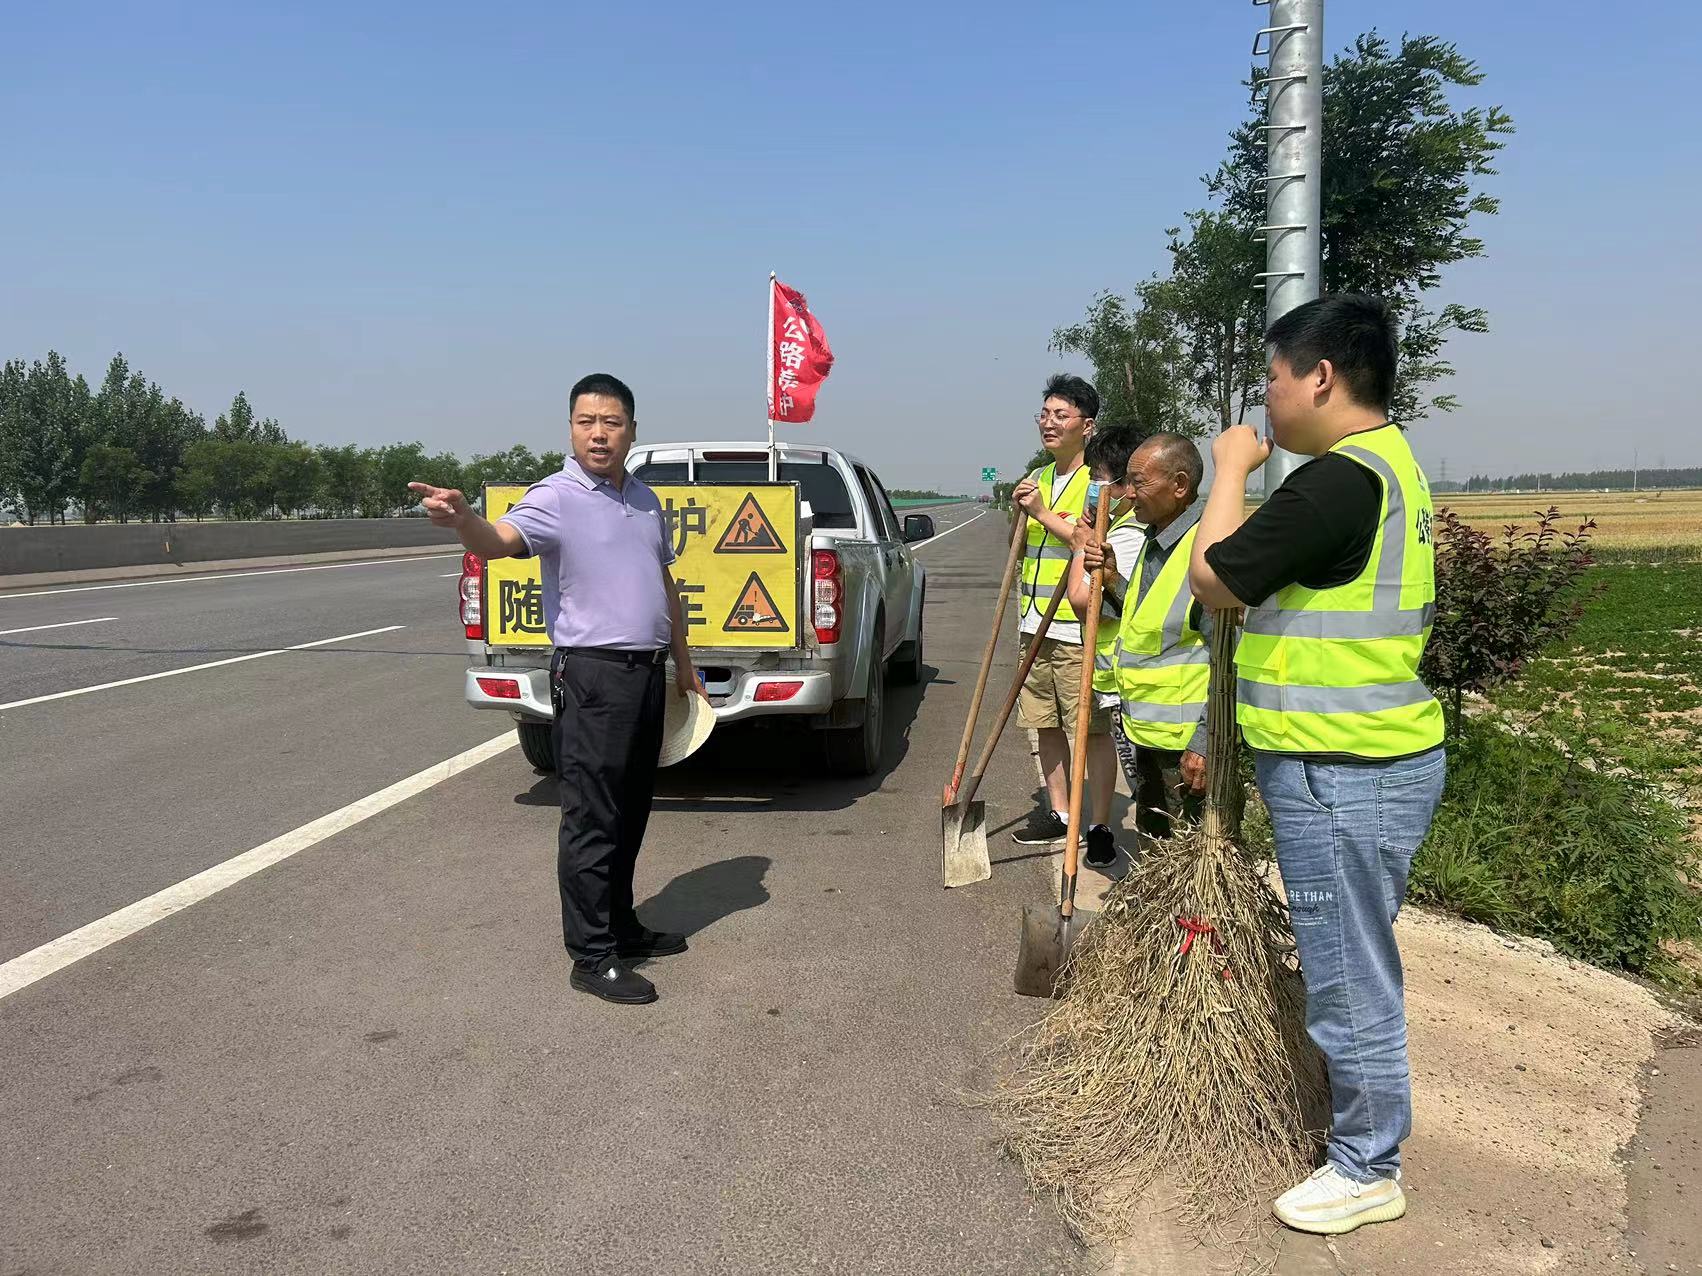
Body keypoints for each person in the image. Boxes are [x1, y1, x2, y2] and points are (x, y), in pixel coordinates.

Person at [1188, 295, 1447, 1235]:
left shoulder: (1339, 480)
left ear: (1321, 378)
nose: (1266, 396)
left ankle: (1366, 1166)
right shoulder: (1396, 463)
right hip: (1368, 760)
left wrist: (1228, 469)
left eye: (1273, 376)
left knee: (1347, 972)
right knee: (1355, 959)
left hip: (1344, 769)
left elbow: (1212, 576)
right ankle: (1362, 1139)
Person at [408, 373, 708, 1007]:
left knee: (631, 807)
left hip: (647, 672)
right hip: (594, 674)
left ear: (632, 429)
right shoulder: (557, 496)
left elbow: (665, 586)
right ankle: (591, 955)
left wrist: (684, 663)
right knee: (592, 817)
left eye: (612, 422)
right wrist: (465, 518)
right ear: (571, 428)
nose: (599, 433)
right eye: (585, 421)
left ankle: (622, 927)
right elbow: (499, 544)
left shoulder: (647, 501)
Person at [1069, 433, 1213, 860]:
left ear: (1180, 485)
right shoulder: (1155, 540)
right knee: (1156, 850)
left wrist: (1205, 743)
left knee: (1190, 858)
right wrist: (1113, 580)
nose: (1127, 494)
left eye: (1138, 483)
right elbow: (1148, 618)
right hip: (1149, 733)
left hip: (1185, 745)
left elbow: (1230, 657)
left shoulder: (1206, 547)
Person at [1008, 374, 1120, 864]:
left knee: (1091, 728)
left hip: (1076, 625)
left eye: (1061, 415)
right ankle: (1059, 812)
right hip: (1034, 622)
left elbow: (1085, 541)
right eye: (1045, 414)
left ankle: (1097, 823)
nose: (1049, 423)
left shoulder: (1097, 484)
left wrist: (1039, 512)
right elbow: (1027, 542)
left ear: (1087, 426)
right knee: (1045, 723)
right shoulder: (1041, 476)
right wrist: (1024, 512)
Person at [1057, 424, 1146, 874]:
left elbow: (1081, 599)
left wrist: (1080, 547)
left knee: (1149, 796)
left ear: (1126, 486)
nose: (1092, 489)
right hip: (1119, 678)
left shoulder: (1126, 537)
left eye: (1098, 479)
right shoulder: (1119, 528)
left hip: (1130, 684)